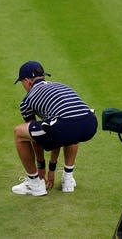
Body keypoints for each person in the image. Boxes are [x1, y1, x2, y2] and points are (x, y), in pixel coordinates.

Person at [12, 61, 97, 196]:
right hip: (89, 123)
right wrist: (51, 169)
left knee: (19, 133)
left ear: (27, 81)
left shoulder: (27, 101)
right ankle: (68, 180)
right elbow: (53, 128)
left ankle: (35, 184)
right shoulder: (60, 85)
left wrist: (42, 168)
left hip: (64, 126)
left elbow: (35, 137)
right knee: (70, 129)